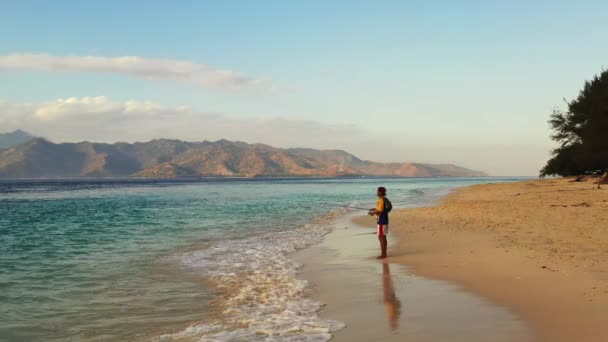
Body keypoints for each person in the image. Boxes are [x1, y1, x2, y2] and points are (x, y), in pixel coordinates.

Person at [369, 186, 389, 258]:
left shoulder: (381, 200)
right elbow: (381, 209)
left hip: (381, 220)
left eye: (377, 191)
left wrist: (372, 213)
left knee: (381, 237)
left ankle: (383, 254)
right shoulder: (384, 199)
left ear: (380, 192)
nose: (376, 193)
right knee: (383, 237)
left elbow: (379, 211)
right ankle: (384, 253)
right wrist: (375, 209)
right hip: (385, 219)